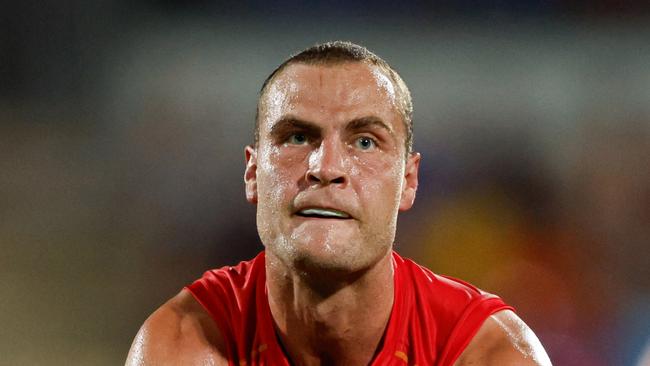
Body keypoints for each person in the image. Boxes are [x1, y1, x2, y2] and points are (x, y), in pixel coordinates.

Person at [125, 41, 552, 365]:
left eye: (365, 142)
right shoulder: (184, 345)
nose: (326, 167)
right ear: (253, 173)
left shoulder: (486, 351)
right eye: (296, 136)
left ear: (408, 180)